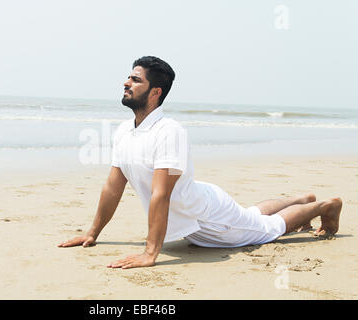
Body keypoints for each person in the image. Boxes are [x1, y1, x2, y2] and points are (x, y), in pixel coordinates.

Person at [58, 56, 342, 269]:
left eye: (135, 79)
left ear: (155, 92)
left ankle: (323, 206)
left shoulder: (168, 131)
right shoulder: (125, 131)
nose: (126, 82)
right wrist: (92, 232)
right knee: (252, 216)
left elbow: (161, 194)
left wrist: (150, 253)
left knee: (267, 229)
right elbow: (112, 187)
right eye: (128, 78)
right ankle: (300, 198)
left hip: (208, 218)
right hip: (203, 207)